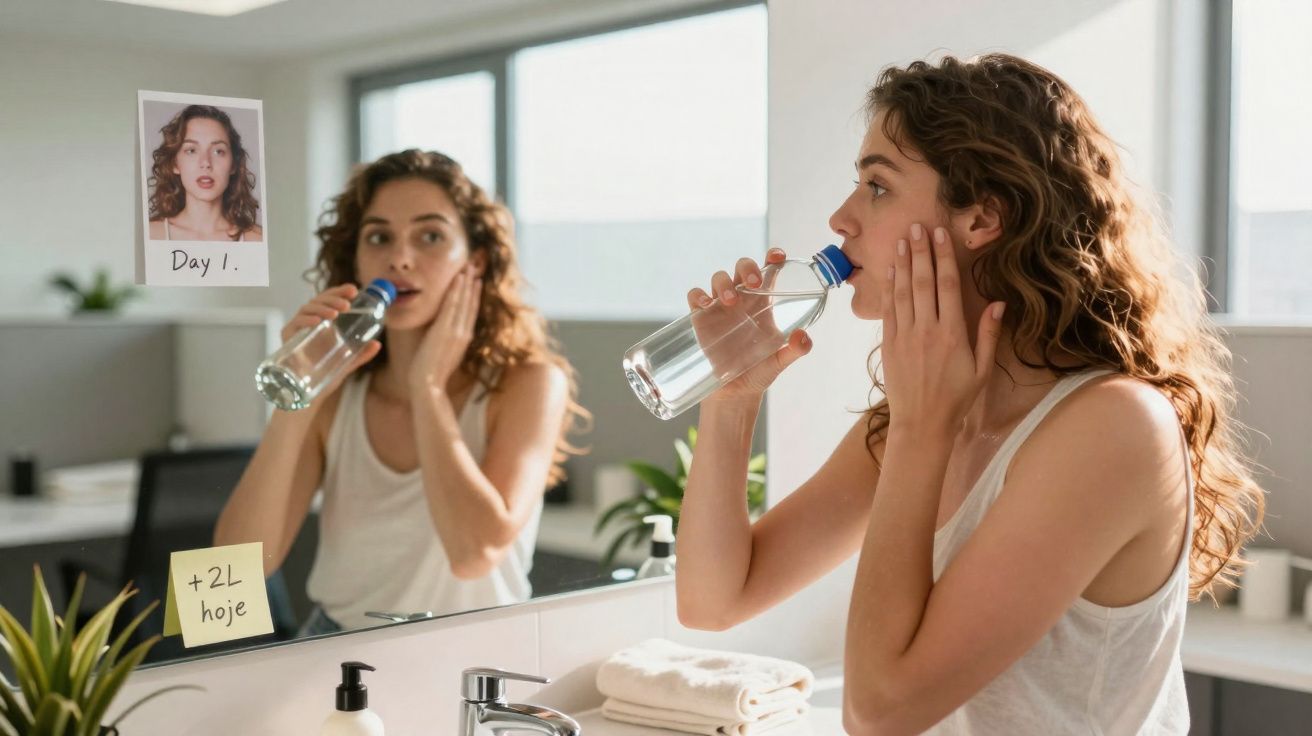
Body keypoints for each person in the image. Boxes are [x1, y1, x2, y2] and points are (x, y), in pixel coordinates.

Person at [675, 54, 1265, 735]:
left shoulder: (1115, 426)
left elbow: (880, 711)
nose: (841, 218)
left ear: (982, 220)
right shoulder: (919, 418)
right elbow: (713, 600)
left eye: (877, 186)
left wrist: (919, 431)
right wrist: (734, 394)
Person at [215, 149, 587, 633]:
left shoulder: (529, 384)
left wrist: (427, 387)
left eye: (430, 236)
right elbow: (231, 577)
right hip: (337, 653)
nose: (400, 258)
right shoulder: (339, 395)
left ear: (474, 260)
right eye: (379, 237)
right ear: (356, 257)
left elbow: (476, 554)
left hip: (476, 660)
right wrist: (298, 393)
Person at [147, 104, 263, 242]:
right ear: (175, 163)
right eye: (191, 150)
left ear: (233, 164)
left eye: (218, 151)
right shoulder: (151, 235)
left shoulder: (257, 240)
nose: (206, 162)